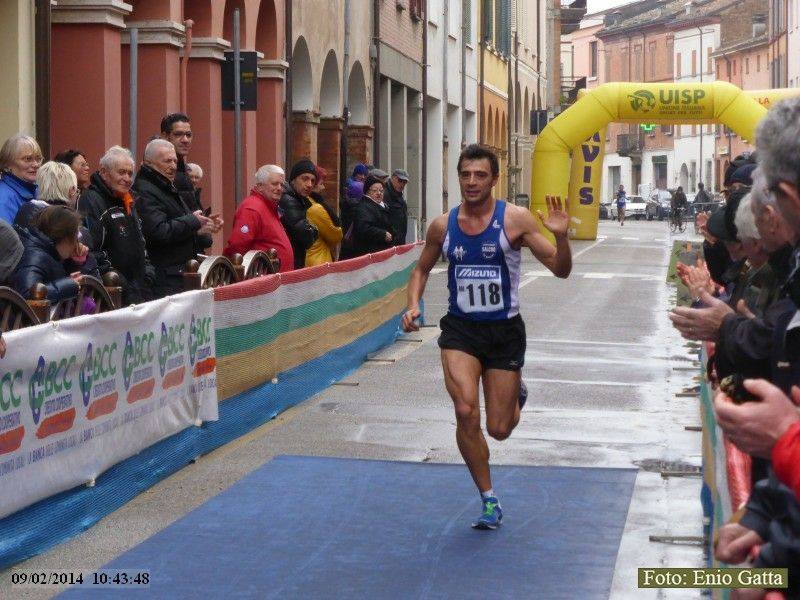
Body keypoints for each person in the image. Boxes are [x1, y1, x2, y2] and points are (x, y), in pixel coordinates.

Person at [401, 144, 572, 529]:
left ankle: (515, 394)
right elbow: (420, 270)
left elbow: (561, 270)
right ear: (459, 177)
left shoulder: (516, 220)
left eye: (480, 175)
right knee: (464, 411)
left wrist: (560, 238)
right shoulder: (443, 225)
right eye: (466, 175)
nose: (472, 182)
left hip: (504, 333)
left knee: (499, 429)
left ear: (494, 179)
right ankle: (488, 498)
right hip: (460, 331)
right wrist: (413, 305)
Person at [135, 139, 220, 298]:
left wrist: (200, 229)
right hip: (164, 278)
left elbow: (179, 226)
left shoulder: (167, 186)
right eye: (167, 161)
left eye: (175, 160)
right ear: (149, 163)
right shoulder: (146, 191)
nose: (173, 166)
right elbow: (158, 231)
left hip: (179, 274)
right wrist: (193, 221)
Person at [79, 146, 155, 305]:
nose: (127, 178)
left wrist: (148, 273)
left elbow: (141, 241)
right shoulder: (91, 200)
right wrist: (119, 281)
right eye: (121, 172)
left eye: (130, 173)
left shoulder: (129, 200)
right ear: (104, 172)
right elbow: (92, 250)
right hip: (112, 293)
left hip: (140, 290)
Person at [12, 205, 92, 303]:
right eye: (75, 237)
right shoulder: (36, 256)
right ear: (65, 237)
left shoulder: (53, 253)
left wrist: (78, 263)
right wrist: (69, 284)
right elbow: (29, 294)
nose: (77, 243)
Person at [224, 164, 294, 272]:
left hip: (275, 281)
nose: (280, 188)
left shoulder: (269, 206)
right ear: (260, 186)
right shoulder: (252, 208)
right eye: (275, 184)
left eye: (282, 185)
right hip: (263, 281)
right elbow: (238, 246)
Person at [160, 113, 214, 253]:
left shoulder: (183, 171)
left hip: (189, 256)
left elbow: (190, 213)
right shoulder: (165, 175)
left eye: (188, 135)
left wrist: (205, 222)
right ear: (165, 136)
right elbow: (161, 229)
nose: (185, 140)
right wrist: (197, 228)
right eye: (178, 134)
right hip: (175, 262)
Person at [279, 159, 319, 269]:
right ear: (293, 179)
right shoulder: (289, 201)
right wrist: (314, 230)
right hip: (288, 265)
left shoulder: (298, 199)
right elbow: (307, 237)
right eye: (305, 179)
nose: (309, 184)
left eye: (313, 181)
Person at [0, 134, 42, 224]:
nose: (35, 164)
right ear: (8, 163)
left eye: (38, 159)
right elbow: (5, 236)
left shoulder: (36, 190)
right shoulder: (4, 198)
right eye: (28, 159)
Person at [305, 166, 342, 266]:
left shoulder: (307, 203)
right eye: (321, 184)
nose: (323, 187)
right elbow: (335, 235)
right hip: (317, 261)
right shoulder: (315, 208)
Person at [352, 175, 393, 257]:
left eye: (381, 190)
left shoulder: (383, 206)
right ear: (367, 192)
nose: (379, 193)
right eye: (375, 190)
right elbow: (363, 228)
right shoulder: (363, 207)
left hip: (381, 251)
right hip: (369, 253)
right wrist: (382, 234)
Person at [385, 169, 409, 245]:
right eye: (400, 180)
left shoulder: (398, 195)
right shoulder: (385, 194)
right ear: (393, 178)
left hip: (399, 241)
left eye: (404, 182)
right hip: (389, 242)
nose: (402, 184)